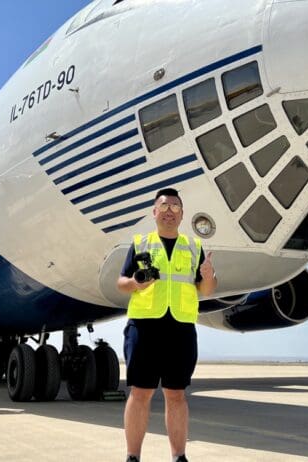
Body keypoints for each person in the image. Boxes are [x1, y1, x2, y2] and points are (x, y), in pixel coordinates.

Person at [117, 188, 217, 462]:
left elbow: (206, 290)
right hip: (145, 326)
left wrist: (209, 276)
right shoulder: (141, 243)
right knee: (140, 393)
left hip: (180, 328)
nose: (169, 211)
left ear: (182, 214)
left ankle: (179, 457)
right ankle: (133, 457)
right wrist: (135, 283)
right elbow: (121, 282)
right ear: (154, 212)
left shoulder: (193, 246)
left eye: (175, 207)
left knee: (176, 395)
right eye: (164, 206)